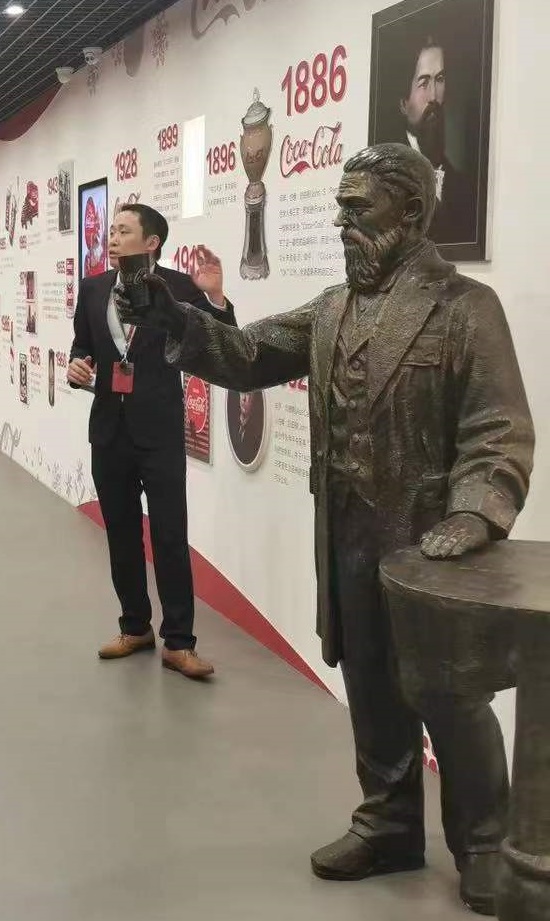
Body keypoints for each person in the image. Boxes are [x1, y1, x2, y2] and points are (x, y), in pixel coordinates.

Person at [122, 143, 531, 915]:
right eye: (339, 207)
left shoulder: (464, 308)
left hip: (433, 546)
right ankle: (389, 822)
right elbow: (247, 353)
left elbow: (498, 430)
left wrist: (474, 514)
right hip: (348, 534)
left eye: (357, 208)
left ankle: (482, 842)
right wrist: (173, 315)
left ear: (411, 212)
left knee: (449, 693)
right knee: (370, 684)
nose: (341, 221)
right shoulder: (333, 307)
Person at [67, 203, 236, 679]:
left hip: (160, 432)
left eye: (123, 231)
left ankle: (179, 642)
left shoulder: (181, 288)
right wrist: (78, 364)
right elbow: (83, 344)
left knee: (169, 537)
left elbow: (225, 343)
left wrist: (216, 297)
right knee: (120, 533)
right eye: (112, 230)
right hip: (109, 432)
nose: (112, 238)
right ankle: (135, 627)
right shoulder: (93, 288)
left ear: (152, 242)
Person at [381, 35, 476, 245]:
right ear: (403, 103)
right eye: (423, 83)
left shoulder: (464, 188)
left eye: (439, 79)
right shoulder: (385, 180)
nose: (434, 96)